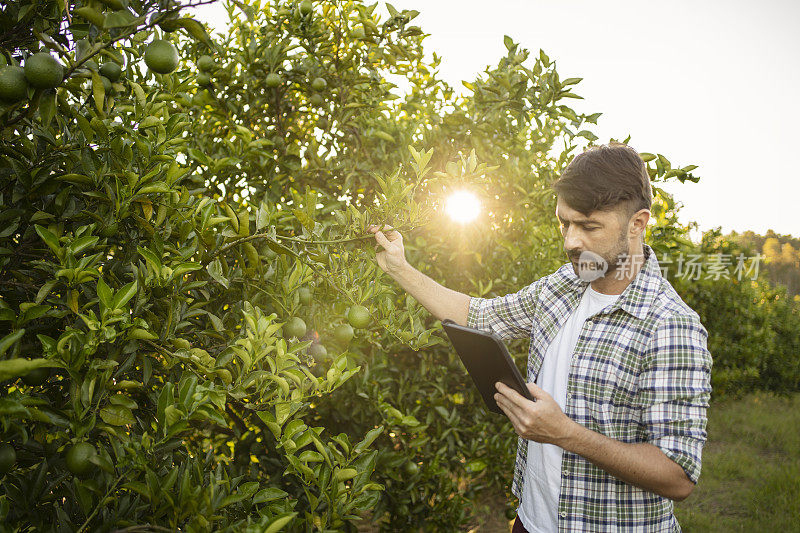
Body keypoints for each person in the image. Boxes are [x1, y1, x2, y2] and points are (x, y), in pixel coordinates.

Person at [368, 142, 712, 532]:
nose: (570, 242)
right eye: (564, 223)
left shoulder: (670, 325)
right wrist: (399, 268)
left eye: (589, 226)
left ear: (637, 223)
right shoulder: (563, 284)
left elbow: (678, 475)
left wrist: (566, 434)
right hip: (531, 523)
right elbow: (481, 316)